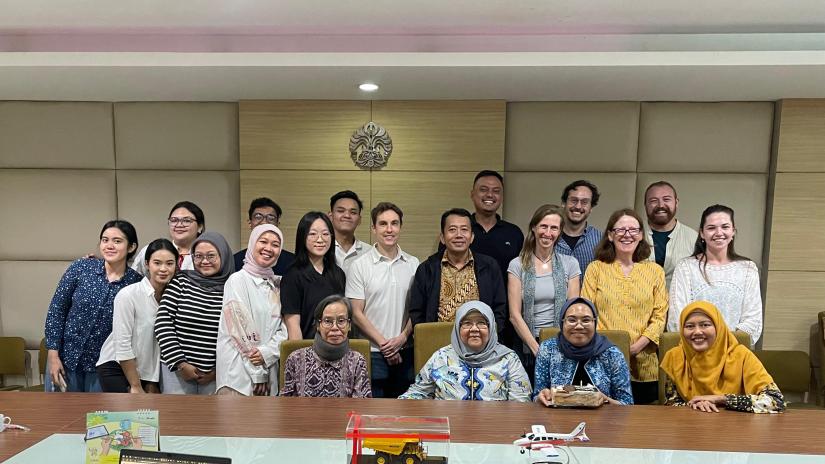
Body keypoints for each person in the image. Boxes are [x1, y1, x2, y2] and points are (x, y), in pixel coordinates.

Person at [582, 208, 667, 404]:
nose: (627, 235)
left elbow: (660, 316)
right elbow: (587, 313)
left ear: (641, 235)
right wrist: (613, 348)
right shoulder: (596, 268)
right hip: (601, 359)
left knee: (641, 427)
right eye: (620, 230)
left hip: (645, 363)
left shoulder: (655, 271)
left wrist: (637, 346)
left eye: (633, 230)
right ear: (610, 235)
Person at [44, 220, 141, 392]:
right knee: (59, 415)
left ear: (131, 247)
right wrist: (53, 355)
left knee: (97, 418)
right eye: (105, 240)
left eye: (117, 241)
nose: (109, 245)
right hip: (66, 361)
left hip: (105, 368)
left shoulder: (135, 283)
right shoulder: (81, 268)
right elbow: (57, 310)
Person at [347, 202, 419, 398]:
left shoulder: (413, 264)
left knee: (404, 415)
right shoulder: (359, 266)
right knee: (373, 412)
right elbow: (356, 313)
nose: (389, 229)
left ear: (400, 227)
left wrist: (403, 337)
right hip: (372, 352)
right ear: (373, 228)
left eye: (394, 223)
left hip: (406, 350)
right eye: (383, 224)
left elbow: (417, 309)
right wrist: (385, 345)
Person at [661, 301, 784, 413]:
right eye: (689, 326)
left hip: (736, 427)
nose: (697, 331)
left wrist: (721, 399)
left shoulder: (742, 355)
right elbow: (673, 404)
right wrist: (698, 404)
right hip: (691, 429)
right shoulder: (675, 357)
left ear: (718, 328)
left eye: (705, 325)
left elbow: (775, 401)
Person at [399, 300, 531, 401]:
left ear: (491, 327)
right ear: (457, 328)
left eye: (481, 323)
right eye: (467, 323)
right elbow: (418, 393)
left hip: (494, 429)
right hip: (448, 427)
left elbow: (521, 401)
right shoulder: (441, 357)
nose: (474, 329)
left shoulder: (508, 359)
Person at [668, 205, 762, 345]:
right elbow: (677, 319)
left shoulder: (748, 268)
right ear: (702, 233)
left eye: (725, 227)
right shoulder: (686, 267)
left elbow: (753, 321)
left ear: (733, 231)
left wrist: (724, 346)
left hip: (735, 352)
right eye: (711, 228)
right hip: (694, 351)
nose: (719, 232)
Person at [154, 231, 234, 395]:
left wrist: (217, 370)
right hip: (176, 371)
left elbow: (237, 333)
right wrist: (180, 364)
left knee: (211, 420)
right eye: (198, 256)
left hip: (217, 373)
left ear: (223, 255)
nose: (204, 261)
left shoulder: (233, 286)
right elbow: (163, 323)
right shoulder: (180, 281)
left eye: (211, 256)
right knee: (177, 418)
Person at [508, 204, 580, 378]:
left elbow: (572, 311)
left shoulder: (570, 264)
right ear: (534, 228)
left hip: (562, 344)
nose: (548, 233)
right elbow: (514, 315)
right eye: (543, 226)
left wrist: (556, 349)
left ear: (559, 232)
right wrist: (537, 350)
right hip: (528, 345)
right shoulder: (517, 265)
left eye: (554, 228)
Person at [96, 239, 178, 393]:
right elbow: (122, 343)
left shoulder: (174, 297)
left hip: (148, 373)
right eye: (157, 263)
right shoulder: (129, 295)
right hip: (117, 367)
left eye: (169, 263)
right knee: (126, 417)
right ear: (147, 264)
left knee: (155, 416)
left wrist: (151, 381)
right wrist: (135, 385)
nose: (163, 269)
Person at [217, 224, 288, 396]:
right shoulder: (237, 280)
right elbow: (240, 329)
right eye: (263, 241)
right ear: (252, 243)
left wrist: (267, 353)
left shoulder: (277, 284)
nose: (268, 248)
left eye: (275, 244)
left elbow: (284, 329)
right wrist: (258, 373)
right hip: (237, 376)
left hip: (269, 372)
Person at [410, 208, 507, 331]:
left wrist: (493, 336)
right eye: (452, 230)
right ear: (442, 238)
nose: (459, 235)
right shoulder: (427, 269)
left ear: (471, 237)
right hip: (438, 342)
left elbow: (500, 308)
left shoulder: (489, 266)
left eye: (464, 230)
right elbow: (417, 312)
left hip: (480, 341)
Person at [533, 297, 634, 406]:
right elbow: (536, 397)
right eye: (572, 320)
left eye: (586, 320)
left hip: (602, 420)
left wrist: (605, 399)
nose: (579, 326)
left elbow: (627, 404)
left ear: (595, 323)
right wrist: (541, 397)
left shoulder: (612, 354)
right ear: (562, 323)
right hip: (557, 420)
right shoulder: (548, 349)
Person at [280, 295, 371, 398]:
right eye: (328, 321)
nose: (335, 327)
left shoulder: (357, 361)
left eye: (341, 321)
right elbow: (286, 405)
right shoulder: (295, 359)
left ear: (349, 325)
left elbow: (361, 406)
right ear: (318, 325)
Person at [282, 212, 346, 340]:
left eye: (325, 234)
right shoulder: (293, 275)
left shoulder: (338, 273)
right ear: (302, 237)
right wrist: (300, 357)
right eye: (312, 234)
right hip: (307, 350)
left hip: (336, 349)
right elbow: (293, 326)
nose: (320, 239)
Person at [643, 181, 698, 289]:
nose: (660, 205)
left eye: (666, 199)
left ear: (676, 202)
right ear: (645, 205)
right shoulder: (632, 236)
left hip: (681, 304)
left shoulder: (694, 238)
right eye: (653, 201)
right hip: (638, 304)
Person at [132, 201, 204, 275]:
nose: (179, 225)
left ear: (200, 227)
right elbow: (135, 280)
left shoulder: (208, 254)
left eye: (186, 221)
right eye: (174, 220)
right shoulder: (150, 250)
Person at [233, 197, 295, 276]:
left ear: (277, 224)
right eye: (258, 217)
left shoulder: (292, 262)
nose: (264, 222)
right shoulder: (234, 261)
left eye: (271, 218)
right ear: (250, 222)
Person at [556, 180, 603, 276]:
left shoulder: (601, 240)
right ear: (563, 203)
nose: (578, 206)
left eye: (584, 202)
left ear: (591, 208)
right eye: (573, 200)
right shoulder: (548, 235)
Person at [329, 190, 371, 274]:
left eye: (353, 212)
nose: (347, 215)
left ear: (359, 220)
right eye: (341, 211)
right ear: (330, 216)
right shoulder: (319, 249)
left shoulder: (370, 252)